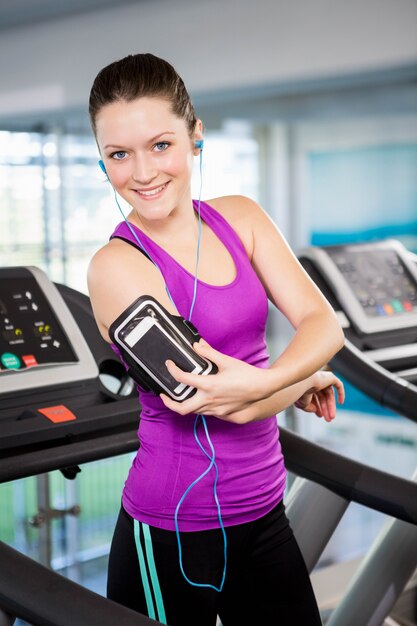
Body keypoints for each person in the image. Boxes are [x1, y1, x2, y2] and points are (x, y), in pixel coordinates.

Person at [87, 53, 345, 626]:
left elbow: (324, 323)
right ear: (102, 161)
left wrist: (284, 376)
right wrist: (301, 375)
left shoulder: (241, 218)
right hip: (173, 530)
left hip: (263, 509)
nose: (143, 172)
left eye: (160, 145)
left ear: (194, 136)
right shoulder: (116, 266)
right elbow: (214, 399)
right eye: (118, 155)